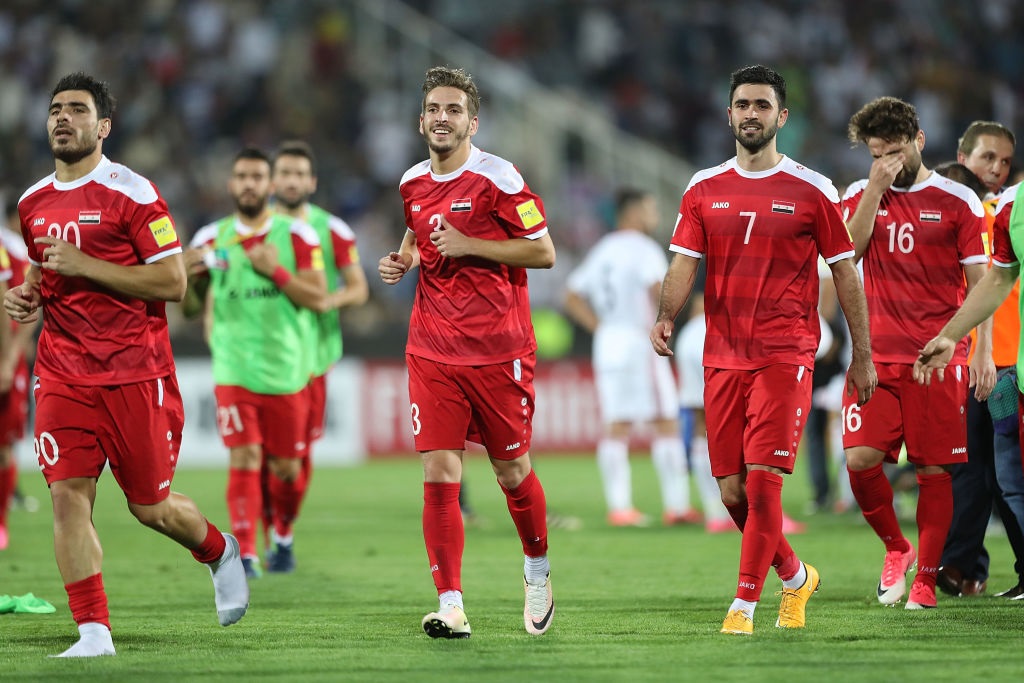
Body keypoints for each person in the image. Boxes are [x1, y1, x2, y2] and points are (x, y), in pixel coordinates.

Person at [2, 72, 248, 658]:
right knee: (68, 498)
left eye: (78, 110)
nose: (63, 118)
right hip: (62, 372)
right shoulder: (31, 203)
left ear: (103, 126)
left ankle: (218, 550)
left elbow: (171, 280)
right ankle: (94, 631)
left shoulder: (134, 193)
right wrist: (26, 295)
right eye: (56, 109)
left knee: (151, 507)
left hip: (136, 373)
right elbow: (41, 269)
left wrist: (86, 265)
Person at [650, 64, 876, 635]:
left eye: (762, 104)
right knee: (730, 492)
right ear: (729, 114)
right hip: (722, 353)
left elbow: (845, 273)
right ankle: (797, 577)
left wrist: (862, 353)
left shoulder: (813, 189)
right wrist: (666, 317)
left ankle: (744, 605)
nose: (751, 113)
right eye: (742, 104)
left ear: (782, 116)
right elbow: (683, 261)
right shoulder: (704, 187)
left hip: (786, 351)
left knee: (761, 480)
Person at [378, 65, 556, 639]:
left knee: (511, 470)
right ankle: (451, 603)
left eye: (454, 110)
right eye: (434, 108)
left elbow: (543, 251)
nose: (442, 118)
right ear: (421, 119)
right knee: (439, 470)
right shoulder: (410, 182)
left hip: (499, 348)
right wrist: (403, 258)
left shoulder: (500, 179)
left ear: (472, 122)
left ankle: (536, 567)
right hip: (431, 349)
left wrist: (470, 244)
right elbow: (416, 229)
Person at [841, 97, 993, 611]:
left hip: (937, 359)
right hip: (875, 355)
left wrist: (982, 352)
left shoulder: (959, 201)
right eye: (876, 153)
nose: (887, 162)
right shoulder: (861, 194)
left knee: (933, 471)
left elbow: (982, 285)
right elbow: (848, 254)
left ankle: (926, 579)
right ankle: (896, 548)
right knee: (860, 462)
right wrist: (876, 189)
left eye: (896, 152)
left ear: (920, 141)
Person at [184, 146, 326, 579]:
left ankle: (281, 532)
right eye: (241, 176)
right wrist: (191, 280)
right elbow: (190, 309)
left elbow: (319, 298)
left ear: (270, 185)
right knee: (244, 458)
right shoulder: (208, 239)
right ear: (231, 184)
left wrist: (276, 272)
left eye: (257, 177)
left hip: (285, 371)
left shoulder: (299, 236)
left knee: (285, 468)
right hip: (233, 368)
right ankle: (244, 553)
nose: (249, 184)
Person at [564, 188, 700, 527]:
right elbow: (659, 290)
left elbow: (571, 294)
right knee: (666, 420)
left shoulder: (603, 249)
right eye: (651, 208)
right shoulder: (643, 249)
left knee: (616, 426)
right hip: (640, 341)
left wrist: (601, 327)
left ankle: (620, 507)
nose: (654, 215)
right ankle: (677, 505)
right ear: (633, 212)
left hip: (609, 341)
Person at [916, 180, 1024, 597]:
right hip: (1015, 377)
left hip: (1008, 367)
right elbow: (997, 281)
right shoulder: (1013, 204)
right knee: (1010, 483)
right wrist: (951, 336)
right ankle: (965, 562)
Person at [265, 140, 368, 570]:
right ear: (273, 180)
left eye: (298, 174)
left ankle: (282, 532)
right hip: (261, 358)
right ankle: (266, 537)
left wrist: (330, 300)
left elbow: (359, 289)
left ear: (311, 182)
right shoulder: (250, 229)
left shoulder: (333, 230)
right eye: (283, 172)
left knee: (296, 456)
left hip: (311, 361)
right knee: (254, 454)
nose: (290, 180)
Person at [672, 293, 734, 533]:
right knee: (745, 421)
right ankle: (763, 512)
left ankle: (715, 514)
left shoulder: (703, 261)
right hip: (717, 334)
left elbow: (698, 297)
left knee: (701, 422)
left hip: (690, 336)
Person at [0, 199, 38, 551]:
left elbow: (30, 308)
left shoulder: (13, 250)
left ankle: (1, 523)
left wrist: (9, 359)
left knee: (4, 446)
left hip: (6, 362)